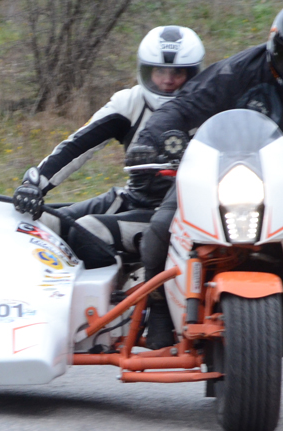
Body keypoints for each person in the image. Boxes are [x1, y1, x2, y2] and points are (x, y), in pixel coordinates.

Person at [135, 0, 283, 349]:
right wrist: (150, 140)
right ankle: (158, 307)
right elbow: (183, 105)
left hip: (281, 183)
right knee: (161, 227)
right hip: (213, 171)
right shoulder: (238, 71)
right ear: (275, 48)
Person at [12, 26, 205, 267]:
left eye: (177, 72)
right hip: (133, 198)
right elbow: (76, 146)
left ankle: (132, 287)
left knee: (88, 231)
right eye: (159, 71)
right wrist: (34, 185)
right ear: (145, 70)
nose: (167, 80)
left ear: (193, 74)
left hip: (181, 214)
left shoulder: (210, 107)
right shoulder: (129, 102)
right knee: (40, 226)